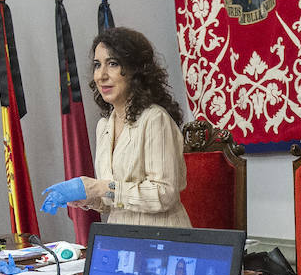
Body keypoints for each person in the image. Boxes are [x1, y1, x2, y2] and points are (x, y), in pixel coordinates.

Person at [39, 27, 191, 226]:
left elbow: (164, 194)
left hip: (161, 236)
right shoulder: (104, 126)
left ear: (136, 70)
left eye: (112, 64)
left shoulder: (155, 119)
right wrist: (88, 198)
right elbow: (114, 201)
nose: (101, 75)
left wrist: (100, 187)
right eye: (97, 65)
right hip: (119, 236)